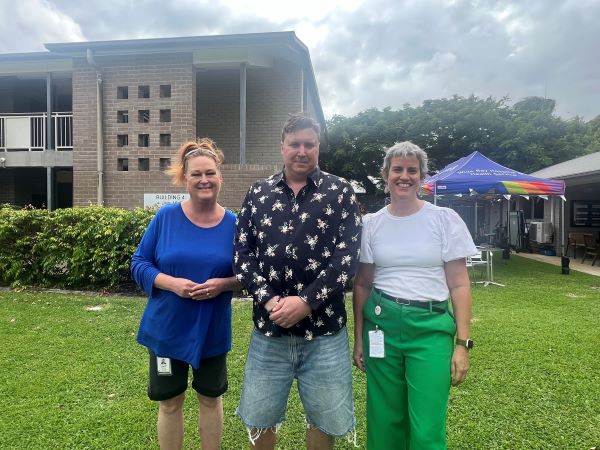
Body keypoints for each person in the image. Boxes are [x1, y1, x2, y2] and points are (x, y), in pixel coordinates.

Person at [234, 113, 361, 450]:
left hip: (324, 332)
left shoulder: (341, 192)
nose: (302, 151)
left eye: (309, 144)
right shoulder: (258, 193)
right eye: (295, 144)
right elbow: (242, 252)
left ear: (318, 147)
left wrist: (306, 301)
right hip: (269, 329)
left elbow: (347, 258)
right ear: (282, 147)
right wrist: (271, 301)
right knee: (260, 418)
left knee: (325, 418)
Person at [352, 141, 477, 450]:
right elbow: (363, 284)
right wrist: (358, 339)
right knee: (384, 421)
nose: (404, 176)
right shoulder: (371, 224)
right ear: (385, 175)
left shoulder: (445, 220)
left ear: (422, 177)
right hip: (381, 326)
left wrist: (462, 345)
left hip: (430, 328)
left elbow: (459, 285)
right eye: (397, 169)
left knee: (426, 428)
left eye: (412, 170)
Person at [131, 138, 240, 450]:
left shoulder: (235, 224)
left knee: (210, 399)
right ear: (184, 178)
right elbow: (139, 263)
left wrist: (223, 284)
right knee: (169, 403)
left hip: (212, 329)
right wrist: (171, 283)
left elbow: (249, 276)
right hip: (167, 330)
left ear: (220, 177)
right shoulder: (165, 218)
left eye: (210, 173)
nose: (203, 180)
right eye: (196, 174)